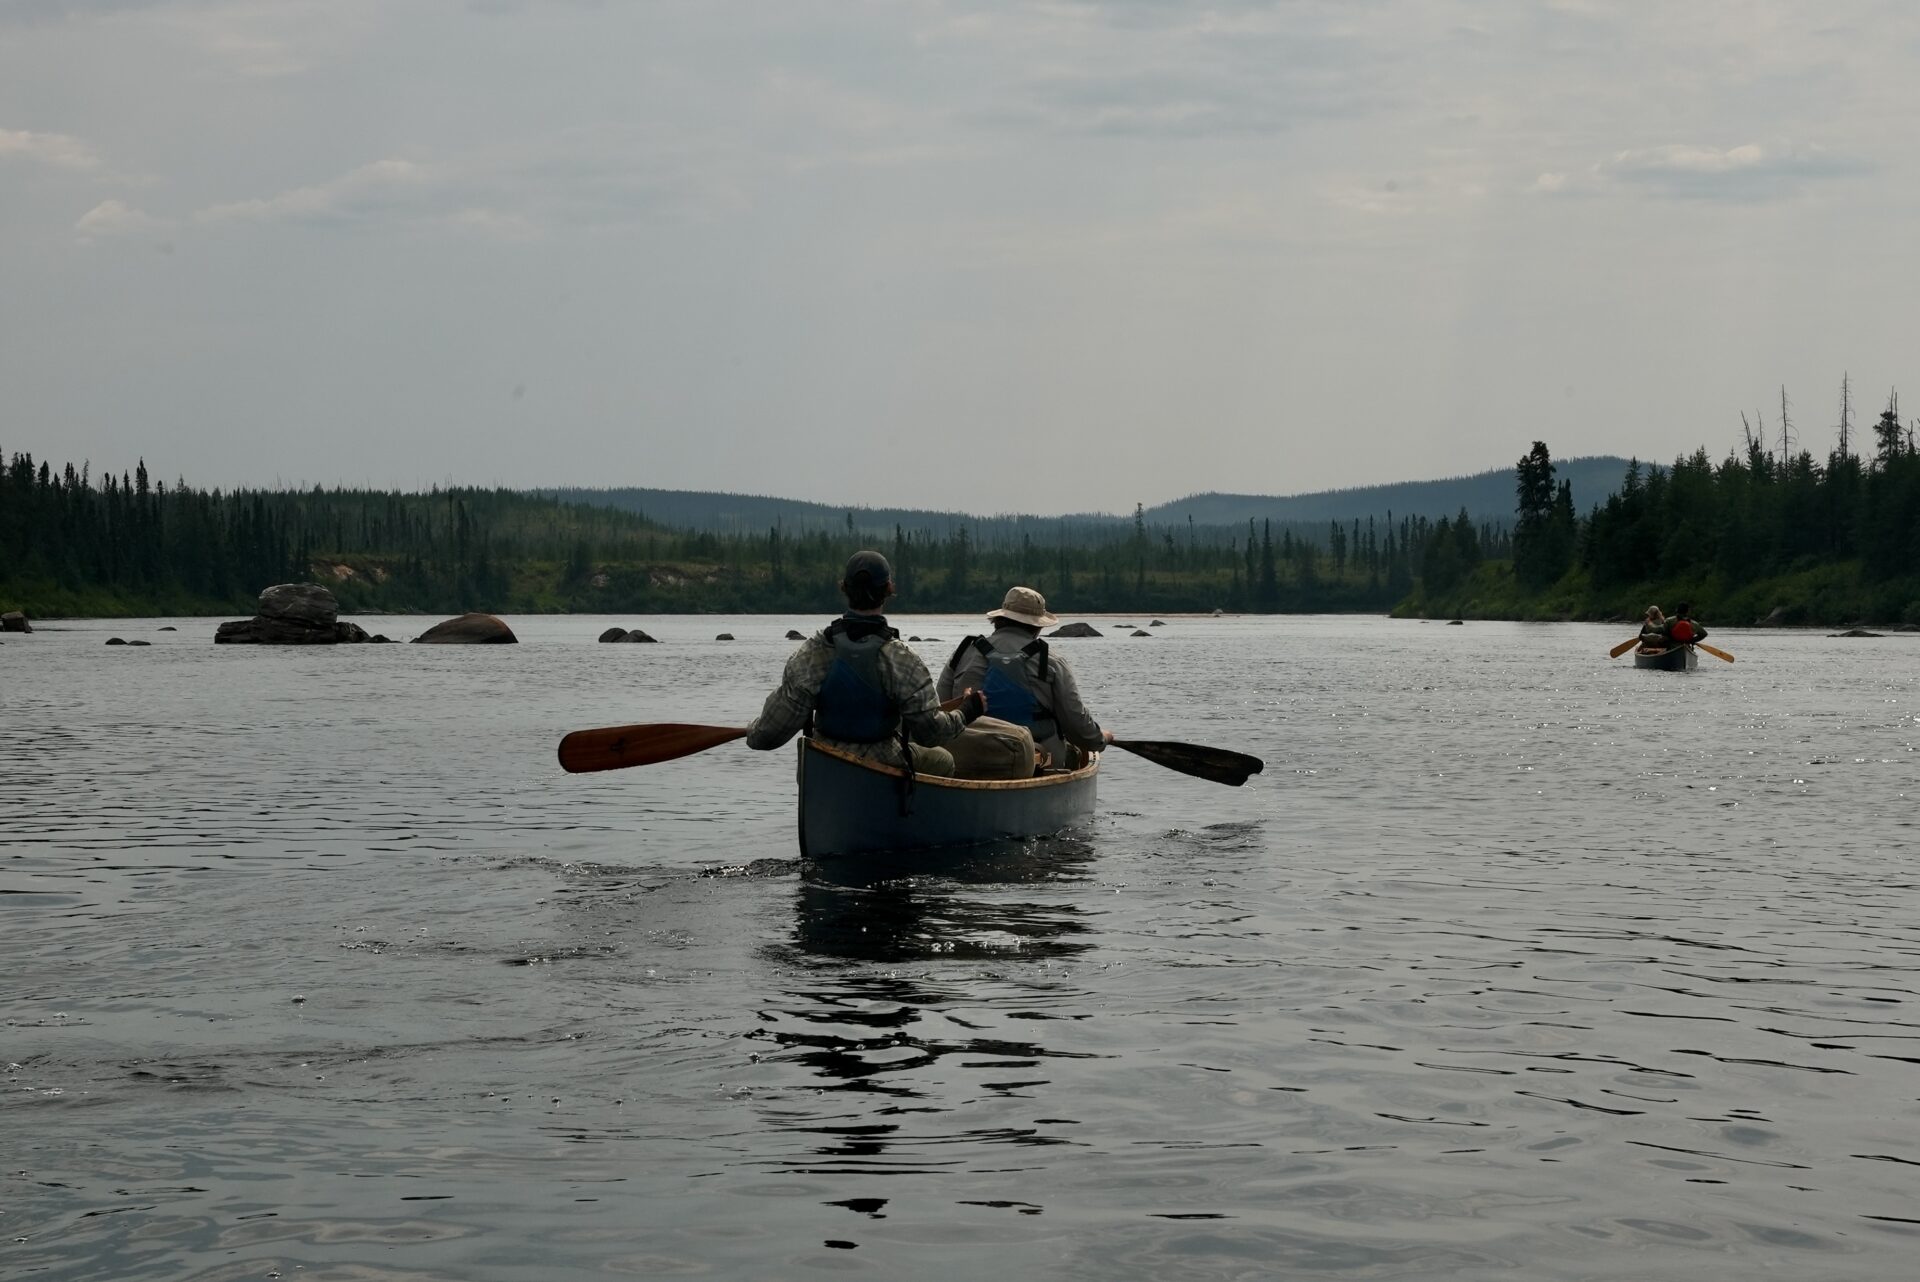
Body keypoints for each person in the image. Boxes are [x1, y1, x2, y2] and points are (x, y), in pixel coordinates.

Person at [746, 551, 984, 775]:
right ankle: (911, 815)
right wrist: (966, 712)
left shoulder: (810, 654)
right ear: (889, 589)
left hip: (824, 761)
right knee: (943, 760)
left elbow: (766, 737)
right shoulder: (903, 660)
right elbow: (930, 733)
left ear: (844, 588)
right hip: (883, 760)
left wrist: (753, 729)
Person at [938, 585, 1113, 769]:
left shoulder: (963, 652)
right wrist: (1101, 739)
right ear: (1037, 626)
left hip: (965, 757)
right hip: (1035, 760)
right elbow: (1077, 724)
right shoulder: (1052, 662)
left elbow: (940, 707)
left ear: (999, 620)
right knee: (1074, 753)